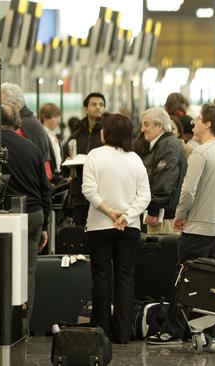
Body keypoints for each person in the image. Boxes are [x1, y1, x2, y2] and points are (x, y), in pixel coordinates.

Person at [146, 103, 215, 345]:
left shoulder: (201, 153)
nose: (193, 122)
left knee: (185, 281)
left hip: (197, 227)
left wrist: (180, 214)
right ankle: (205, 331)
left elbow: (188, 190)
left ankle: (173, 329)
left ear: (207, 124)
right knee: (209, 284)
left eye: (197, 119)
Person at [81, 113, 150, 343]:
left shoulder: (94, 155)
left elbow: (89, 190)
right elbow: (145, 197)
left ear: (106, 133)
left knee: (101, 277)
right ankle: (123, 332)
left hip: (99, 226)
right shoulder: (135, 159)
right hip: (128, 228)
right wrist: (126, 216)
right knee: (125, 277)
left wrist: (110, 213)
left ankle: (101, 331)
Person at [0, 104, 51, 334]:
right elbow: (45, 188)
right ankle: (22, 328)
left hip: (3, 216)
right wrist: (45, 227)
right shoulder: (32, 148)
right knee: (27, 273)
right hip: (34, 215)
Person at [139, 107, 187, 234]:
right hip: (161, 215)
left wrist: (153, 210)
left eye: (146, 124)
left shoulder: (167, 145)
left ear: (160, 126)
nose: (142, 129)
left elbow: (164, 181)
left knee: (160, 253)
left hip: (163, 218)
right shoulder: (163, 144)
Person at [66, 92, 106, 226]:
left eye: (101, 105)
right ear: (85, 108)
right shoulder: (76, 134)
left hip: (102, 193)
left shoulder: (107, 134)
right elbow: (65, 159)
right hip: (80, 193)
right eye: (94, 104)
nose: (98, 107)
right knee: (80, 234)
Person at [1, 83, 52, 174]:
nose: (0, 111)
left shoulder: (20, 126)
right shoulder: (31, 120)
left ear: (15, 105)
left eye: (3, 106)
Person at [39, 103, 63, 178]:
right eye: (55, 117)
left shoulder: (53, 134)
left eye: (59, 116)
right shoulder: (42, 135)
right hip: (49, 177)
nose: (58, 120)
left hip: (58, 174)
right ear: (45, 118)